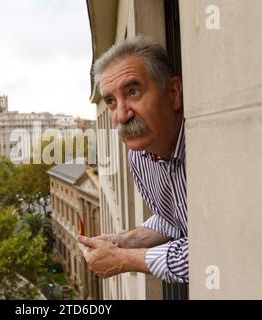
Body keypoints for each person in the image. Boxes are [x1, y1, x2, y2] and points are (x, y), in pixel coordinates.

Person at [78, 35, 188, 283]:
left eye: (133, 92)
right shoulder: (139, 159)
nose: (121, 115)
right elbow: (173, 218)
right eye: (111, 102)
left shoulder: (209, 152)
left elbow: (213, 249)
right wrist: (124, 241)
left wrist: (125, 259)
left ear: (173, 93)